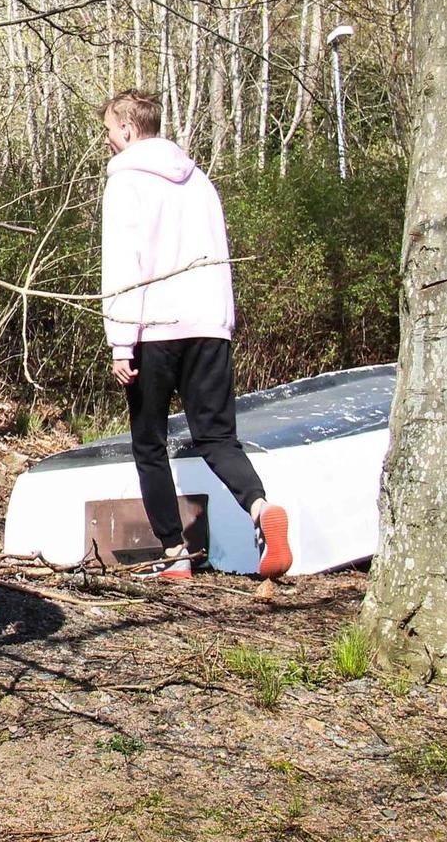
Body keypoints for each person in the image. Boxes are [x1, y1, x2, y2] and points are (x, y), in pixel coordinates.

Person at [98, 89, 292, 581]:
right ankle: (259, 507)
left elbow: (125, 263)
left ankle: (174, 553)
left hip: (154, 330)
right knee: (217, 437)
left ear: (126, 128)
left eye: (107, 131)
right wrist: (221, 324)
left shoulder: (126, 183)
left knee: (149, 442)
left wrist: (121, 340)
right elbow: (218, 255)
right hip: (208, 325)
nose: (107, 143)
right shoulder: (200, 182)